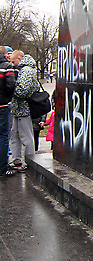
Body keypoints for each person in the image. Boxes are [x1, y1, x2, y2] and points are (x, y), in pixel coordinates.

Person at [9, 50, 39, 171]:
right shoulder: (24, 70)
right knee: (15, 135)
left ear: (20, 59)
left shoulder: (26, 70)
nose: (12, 64)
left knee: (26, 137)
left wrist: (10, 88)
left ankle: (29, 161)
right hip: (18, 109)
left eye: (13, 61)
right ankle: (17, 160)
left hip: (23, 109)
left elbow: (22, 91)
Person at [0, 46, 16, 177]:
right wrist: (7, 98)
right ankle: (2, 167)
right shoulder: (7, 67)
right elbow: (11, 85)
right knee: (3, 136)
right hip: (2, 106)